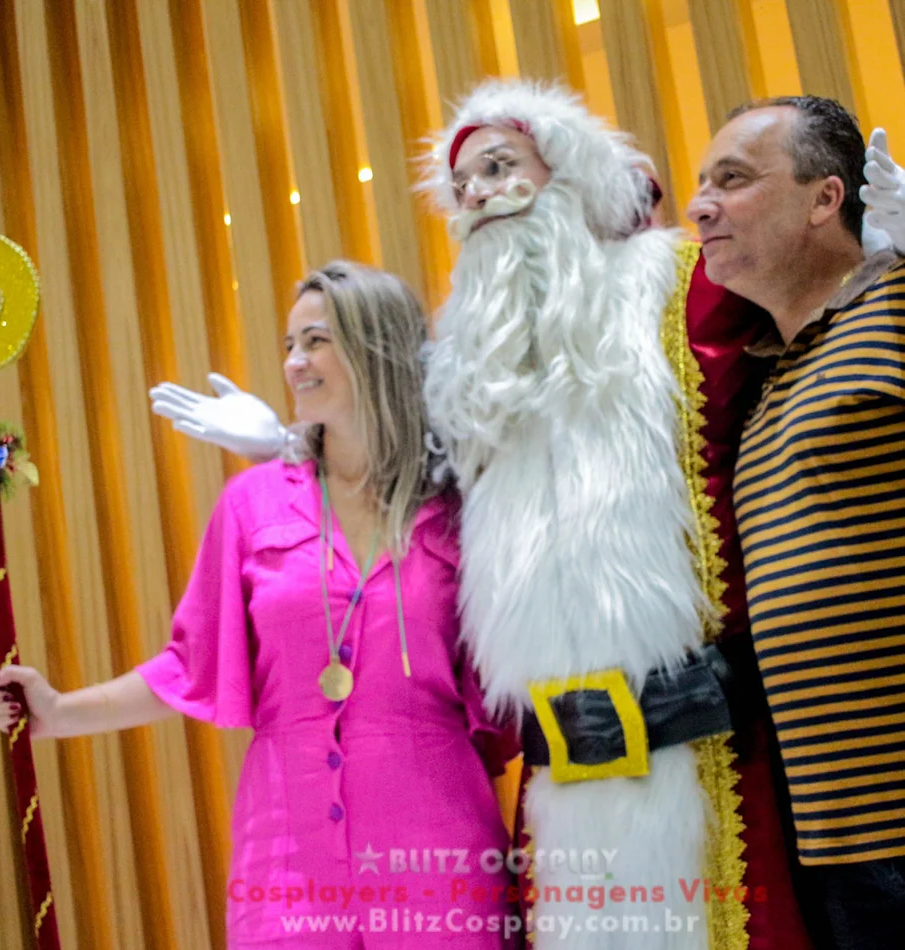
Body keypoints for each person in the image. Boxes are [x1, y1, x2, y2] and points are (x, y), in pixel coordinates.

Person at [146, 81, 905, 950]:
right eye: (461, 184)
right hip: (559, 776)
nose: (475, 196)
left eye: (500, 168)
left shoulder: (678, 290)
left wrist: (886, 256)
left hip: (711, 757)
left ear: (569, 174)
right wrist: (289, 442)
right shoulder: (468, 370)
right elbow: (397, 476)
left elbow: (812, 297)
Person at [0, 261, 522, 949]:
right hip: (285, 847)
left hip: (436, 840)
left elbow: (517, 673)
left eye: (317, 341)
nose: (295, 363)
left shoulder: (462, 508)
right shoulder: (252, 504)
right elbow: (188, 666)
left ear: (377, 348)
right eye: (289, 345)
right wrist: (57, 713)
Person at [688, 95, 905, 950]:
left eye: (734, 180)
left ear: (826, 198)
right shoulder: (767, 372)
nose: (704, 205)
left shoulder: (894, 306)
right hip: (831, 836)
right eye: (702, 184)